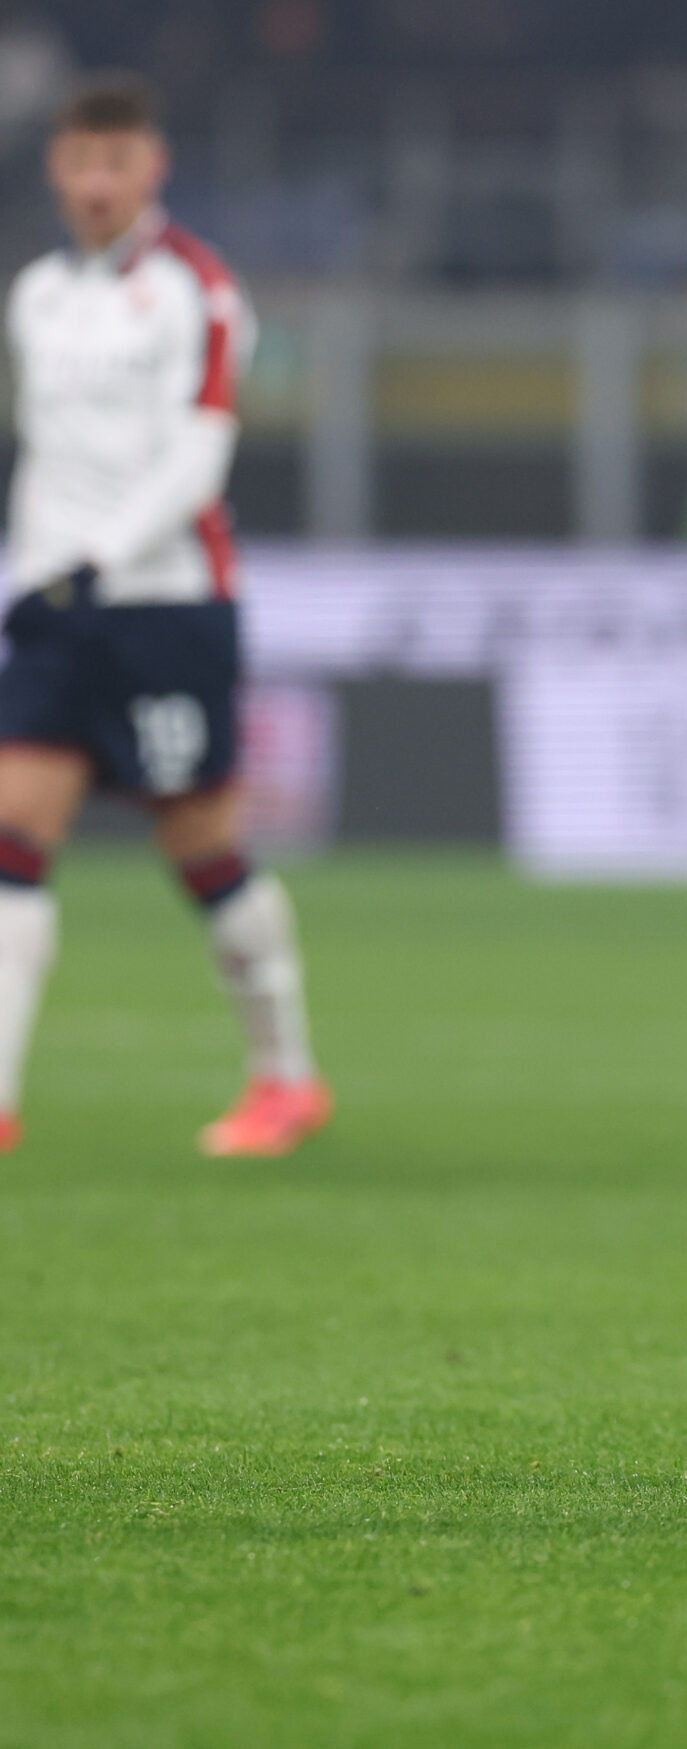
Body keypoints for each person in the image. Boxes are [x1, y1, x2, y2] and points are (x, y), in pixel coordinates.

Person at [0, 77, 328, 1158]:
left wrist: (95, 562)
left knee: (201, 848)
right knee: (12, 838)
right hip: (55, 609)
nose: (97, 184)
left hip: (167, 606)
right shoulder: (38, 295)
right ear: (56, 170)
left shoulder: (199, 290)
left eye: (117, 163)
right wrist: (38, 568)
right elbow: (46, 458)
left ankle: (286, 1080)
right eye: (80, 163)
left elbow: (199, 458)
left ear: (154, 168)